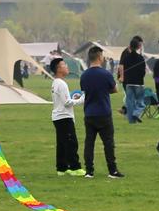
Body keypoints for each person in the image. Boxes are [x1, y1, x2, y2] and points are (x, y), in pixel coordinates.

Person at [79, 47, 123, 179]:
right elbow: (114, 90)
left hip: (89, 113)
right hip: (104, 113)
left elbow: (85, 90)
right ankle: (112, 170)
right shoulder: (106, 74)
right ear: (99, 57)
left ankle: (89, 171)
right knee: (108, 143)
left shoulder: (84, 75)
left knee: (89, 143)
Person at [48, 58, 84, 176]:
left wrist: (75, 98)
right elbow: (67, 102)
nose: (67, 66)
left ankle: (62, 168)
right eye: (64, 65)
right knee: (71, 143)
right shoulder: (61, 84)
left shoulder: (55, 82)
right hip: (64, 117)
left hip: (58, 117)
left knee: (62, 144)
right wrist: (82, 99)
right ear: (58, 69)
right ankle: (75, 168)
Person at [119, 36, 147, 124]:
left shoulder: (126, 57)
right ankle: (136, 113)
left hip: (128, 83)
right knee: (140, 102)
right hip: (138, 83)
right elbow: (143, 71)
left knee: (130, 101)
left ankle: (131, 121)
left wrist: (124, 77)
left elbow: (124, 67)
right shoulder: (140, 58)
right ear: (138, 46)